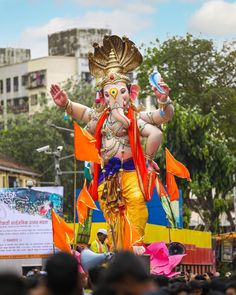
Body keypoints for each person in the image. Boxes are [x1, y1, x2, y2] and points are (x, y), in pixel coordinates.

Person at [50, 35, 174, 250]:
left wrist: (164, 100)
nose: (115, 97)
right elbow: (83, 113)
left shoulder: (136, 117)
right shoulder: (99, 119)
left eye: (121, 91)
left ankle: (136, 243)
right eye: (110, 93)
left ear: (130, 93)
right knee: (110, 211)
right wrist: (66, 104)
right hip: (108, 174)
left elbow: (163, 118)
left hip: (130, 171)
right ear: (104, 96)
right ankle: (118, 248)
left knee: (136, 200)